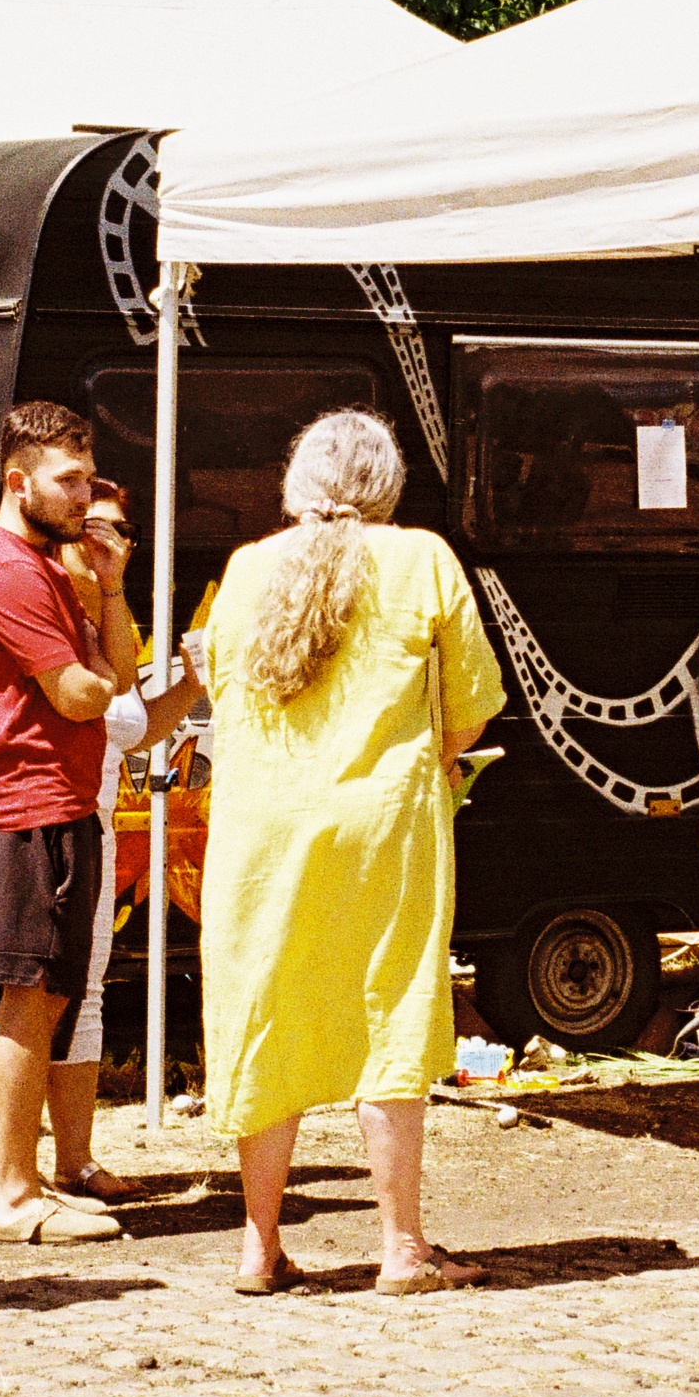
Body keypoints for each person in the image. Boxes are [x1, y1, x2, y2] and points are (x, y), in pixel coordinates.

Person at [200, 410, 508, 1295]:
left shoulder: (247, 567)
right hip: (383, 822)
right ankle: (402, 1248)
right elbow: (472, 707)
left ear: (295, 482)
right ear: (388, 483)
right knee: (393, 1007)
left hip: (260, 830)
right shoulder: (422, 557)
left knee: (264, 1011)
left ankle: (259, 1247)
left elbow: (223, 694)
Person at [0, 401, 130, 1246]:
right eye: (68, 480)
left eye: (88, 477)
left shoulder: (51, 568)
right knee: (27, 1000)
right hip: (30, 806)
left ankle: (23, 1183)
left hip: (59, 802)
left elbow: (118, 676)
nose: (84, 495)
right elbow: (82, 694)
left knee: (47, 995)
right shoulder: (9, 570)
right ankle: (11, 1193)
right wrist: (95, 670)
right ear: (18, 481)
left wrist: (112, 591)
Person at [41, 477, 203, 1207]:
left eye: (120, 530)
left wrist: (193, 684)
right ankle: (14, 1171)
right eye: (91, 524)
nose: (104, 539)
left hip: (94, 826)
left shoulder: (109, 617)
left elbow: (133, 729)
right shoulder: (41, 603)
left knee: (85, 994)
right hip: (33, 827)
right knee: (27, 996)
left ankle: (74, 1163)